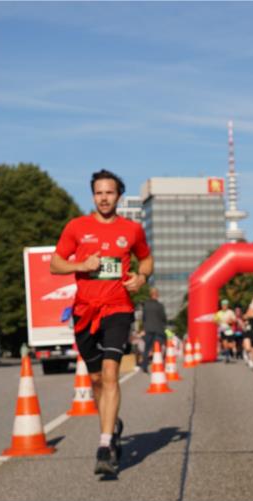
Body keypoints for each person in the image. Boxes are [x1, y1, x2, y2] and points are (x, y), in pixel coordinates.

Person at [51, 169, 153, 476]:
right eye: (98, 193)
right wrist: (82, 264)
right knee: (95, 380)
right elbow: (56, 263)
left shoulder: (132, 229)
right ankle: (114, 426)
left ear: (118, 195)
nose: (104, 198)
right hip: (85, 311)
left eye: (109, 192)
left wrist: (142, 276)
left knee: (111, 373)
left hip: (118, 307)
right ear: (92, 195)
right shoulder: (77, 227)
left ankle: (105, 445)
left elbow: (146, 258)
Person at [140, 288, 168, 373]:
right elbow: (164, 318)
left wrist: (145, 327)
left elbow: (143, 318)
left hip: (148, 329)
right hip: (158, 330)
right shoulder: (160, 306)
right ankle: (159, 366)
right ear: (157, 294)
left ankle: (144, 366)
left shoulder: (145, 305)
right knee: (158, 349)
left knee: (147, 349)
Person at [214, 298, 237, 363]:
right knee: (224, 344)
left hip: (229, 331)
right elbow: (215, 321)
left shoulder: (230, 312)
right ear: (221, 306)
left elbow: (234, 320)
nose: (224, 306)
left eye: (225, 305)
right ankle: (227, 357)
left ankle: (231, 351)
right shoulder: (219, 313)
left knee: (231, 345)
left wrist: (230, 321)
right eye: (223, 305)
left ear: (227, 305)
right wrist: (218, 322)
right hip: (222, 330)